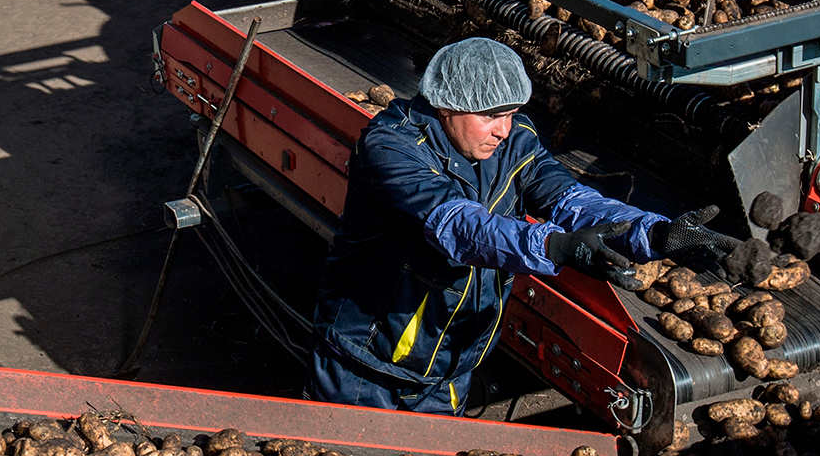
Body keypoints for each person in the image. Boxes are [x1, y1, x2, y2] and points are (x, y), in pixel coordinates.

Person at [307, 37, 732, 415]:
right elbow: (459, 226)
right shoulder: (391, 148)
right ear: (447, 104)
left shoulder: (513, 141)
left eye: (511, 113)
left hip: (451, 366)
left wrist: (655, 234)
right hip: (367, 368)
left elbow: (569, 198)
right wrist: (556, 248)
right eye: (492, 116)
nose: (503, 130)